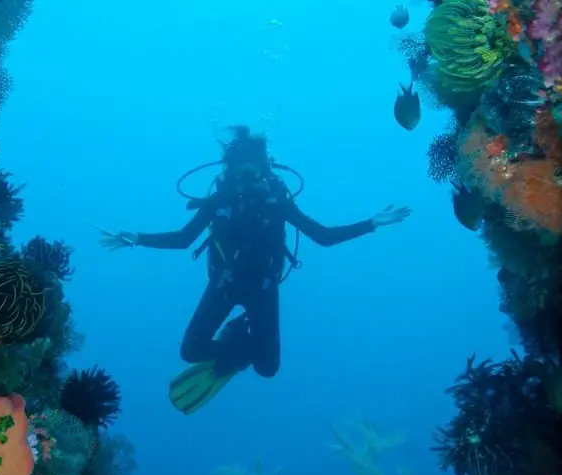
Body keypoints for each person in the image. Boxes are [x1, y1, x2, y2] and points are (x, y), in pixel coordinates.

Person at [99, 126, 410, 415]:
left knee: (268, 369)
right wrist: (137, 239)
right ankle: (238, 338)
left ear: (265, 166)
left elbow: (323, 236)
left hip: (263, 288)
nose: (247, 172)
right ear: (230, 168)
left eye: (254, 165)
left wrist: (371, 224)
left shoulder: (278, 201)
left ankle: (240, 336)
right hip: (225, 283)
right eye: (241, 165)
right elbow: (183, 239)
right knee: (190, 350)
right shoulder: (217, 201)